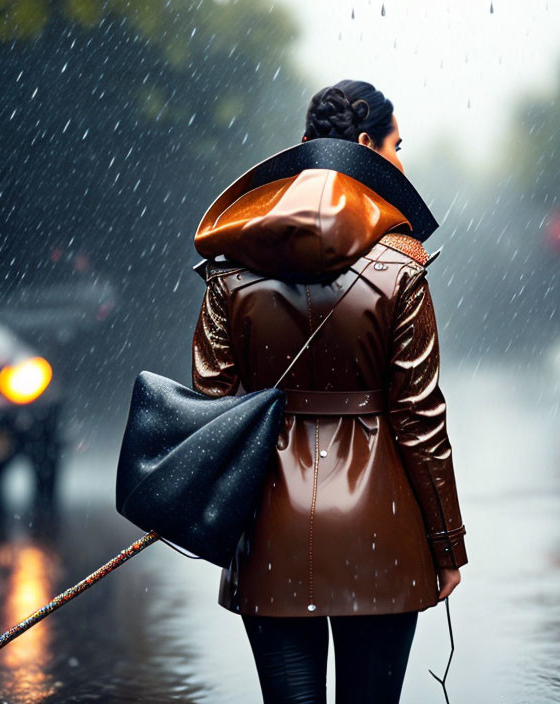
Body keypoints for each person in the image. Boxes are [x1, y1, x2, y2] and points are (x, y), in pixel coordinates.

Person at [191, 79, 468, 704]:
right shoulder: (401, 267)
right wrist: (447, 545)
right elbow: (419, 417)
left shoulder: (228, 268)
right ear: (366, 145)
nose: (401, 161)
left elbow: (212, 406)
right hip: (385, 534)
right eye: (397, 145)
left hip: (269, 533)